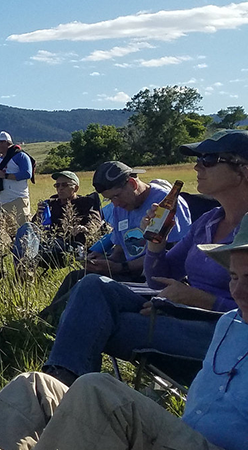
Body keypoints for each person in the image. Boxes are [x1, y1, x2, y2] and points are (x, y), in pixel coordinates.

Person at [0, 218, 248, 450]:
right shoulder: (229, 323)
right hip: (184, 439)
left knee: (98, 391)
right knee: (33, 387)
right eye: (234, 277)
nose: (239, 291)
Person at [40, 131, 248, 386]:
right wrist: (156, 243)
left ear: (242, 170)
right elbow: (159, 279)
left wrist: (204, 301)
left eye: (208, 159)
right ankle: (61, 386)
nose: (197, 166)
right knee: (92, 285)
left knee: (97, 323)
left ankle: (61, 390)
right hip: (181, 313)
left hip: (225, 333)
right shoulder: (209, 221)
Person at [39, 161, 190, 322]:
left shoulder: (164, 203)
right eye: (110, 199)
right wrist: (103, 262)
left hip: (152, 281)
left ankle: (52, 322)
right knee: (75, 277)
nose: (115, 204)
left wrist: (120, 267)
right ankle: (50, 319)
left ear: (132, 183)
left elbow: (169, 255)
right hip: (128, 272)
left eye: (116, 196)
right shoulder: (121, 207)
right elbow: (119, 249)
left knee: (91, 285)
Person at [23, 171, 104, 266]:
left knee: (31, 250)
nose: (60, 188)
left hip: (70, 245)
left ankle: (26, 262)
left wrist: (85, 228)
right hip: (48, 241)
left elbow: (95, 221)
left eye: (64, 185)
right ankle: (24, 268)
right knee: (25, 229)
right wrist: (38, 214)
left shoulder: (85, 203)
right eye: (57, 185)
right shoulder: (51, 204)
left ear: (76, 188)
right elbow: (34, 227)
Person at [0, 131, 35, 227]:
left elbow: (27, 173)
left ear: (4, 142)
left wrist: (5, 175)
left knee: (22, 231)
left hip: (18, 200)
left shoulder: (20, 156)